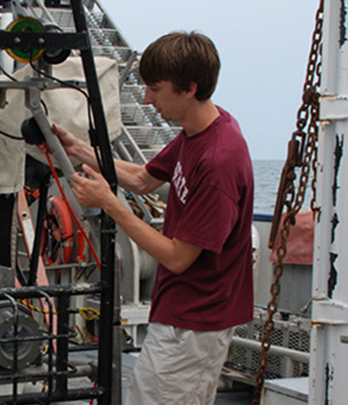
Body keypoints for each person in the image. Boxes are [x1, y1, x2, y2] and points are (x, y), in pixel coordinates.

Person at [42, 31, 253, 404]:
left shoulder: (219, 161)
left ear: (189, 88)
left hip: (195, 323)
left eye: (155, 88)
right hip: (178, 313)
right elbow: (142, 179)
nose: (147, 99)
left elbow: (177, 257)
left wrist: (110, 204)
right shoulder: (196, 133)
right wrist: (75, 147)